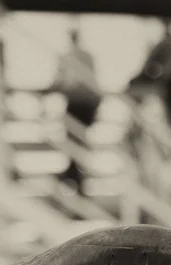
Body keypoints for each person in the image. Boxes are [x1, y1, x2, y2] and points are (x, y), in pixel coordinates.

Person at [52, 28, 101, 195]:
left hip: (77, 102)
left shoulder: (68, 57)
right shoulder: (85, 56)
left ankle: (72, 176)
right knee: (78, 141)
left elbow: (59, 80)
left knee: (75, 140)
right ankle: (75, 177)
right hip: (86, 102)